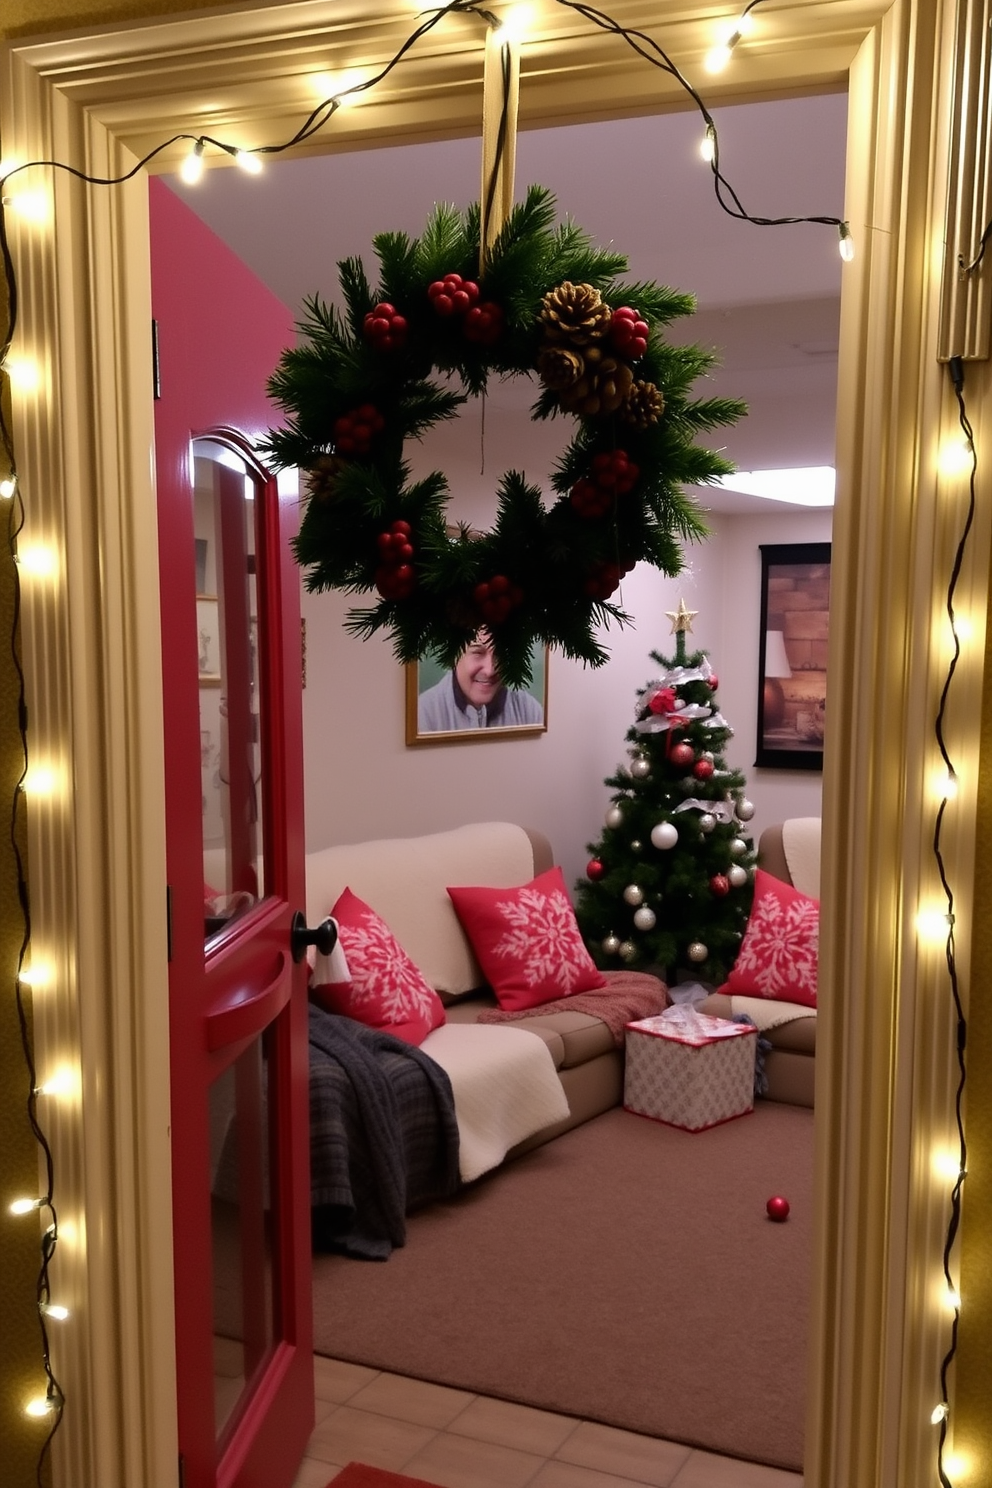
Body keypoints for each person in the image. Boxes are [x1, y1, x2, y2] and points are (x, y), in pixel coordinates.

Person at [417, 629, 544, 731]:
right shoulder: (424, 715)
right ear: (454, 655)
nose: (490, 670)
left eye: (500, 653)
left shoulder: (528, 711)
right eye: (478, 653)